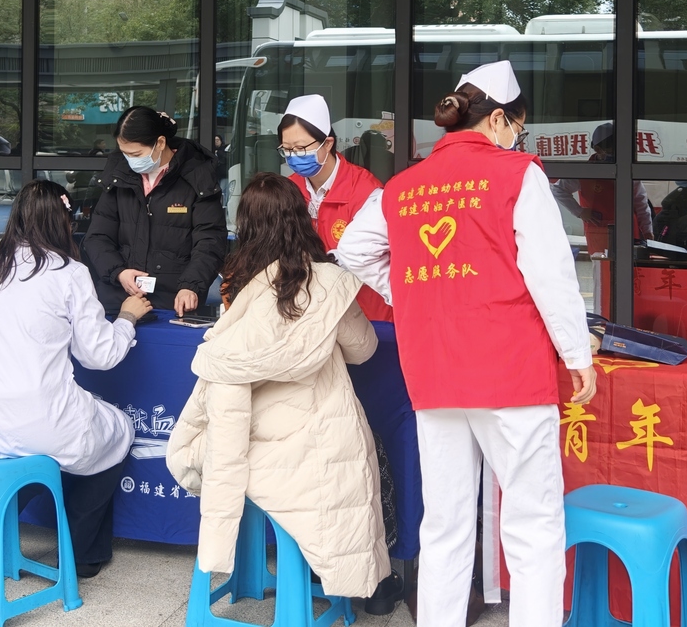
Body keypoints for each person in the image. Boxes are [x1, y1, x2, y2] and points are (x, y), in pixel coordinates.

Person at [334, 61, 596, 627]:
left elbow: (352, 250)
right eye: (517, 125)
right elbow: (551, 275)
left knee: (445, 523)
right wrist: (577, 353)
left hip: (434, 372)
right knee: (533, 522)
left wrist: (409, 294)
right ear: (498, 119)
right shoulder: (517, 174)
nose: (517, 136)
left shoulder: (403, 185)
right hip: (510, 371)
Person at [166, 173, 390, 601]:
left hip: (246, 453)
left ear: (246, 225)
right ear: (301, 220)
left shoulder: (235, 283)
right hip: (319, 455)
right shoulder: (327, 283)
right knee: (372, 449)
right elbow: (363, 349)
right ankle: (373, 585)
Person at [0, 180, 154, 579]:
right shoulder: (69, 272)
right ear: (64, 221)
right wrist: (127, 316)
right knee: (116, 431)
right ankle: (81, 553)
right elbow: (99, 355)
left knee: (22, 457)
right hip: (33, 416)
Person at [84, 106, 227, 316]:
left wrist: (191, 285)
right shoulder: (118, 177)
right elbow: (97, 237)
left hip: (175, 300)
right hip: (119, 297)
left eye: (136, 154)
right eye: (125, 154)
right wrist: (118, 272)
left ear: (160, 143)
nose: (130, 160)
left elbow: (210, 240)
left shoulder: (197, 177)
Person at [279, 94, 392, 323]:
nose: (294, 156)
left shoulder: (364, 190)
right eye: (287, 149)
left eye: (301, 148)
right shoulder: (288, 190)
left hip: (364, 313)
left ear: (328, 144)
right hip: (310, 314)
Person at [552, 122, 654, 256]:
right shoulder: (584, 172)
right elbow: (558, 190)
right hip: (599, 232)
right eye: (613, 149)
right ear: (598, 149)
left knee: (630, 266)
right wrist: (579, 211)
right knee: (601, 267)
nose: (619, 153)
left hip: (628, 230)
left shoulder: (627, 169)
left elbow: (641, 203)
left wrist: (647, 231)